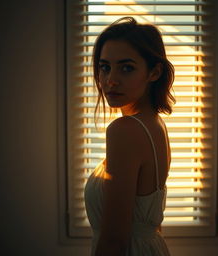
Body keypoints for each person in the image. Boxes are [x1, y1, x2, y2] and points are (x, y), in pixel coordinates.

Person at [84, 17, 175, 256]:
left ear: (154, 72)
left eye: (126, 67)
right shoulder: (155, 124)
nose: (110, 80)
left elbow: (114, 240)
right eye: (104, 67)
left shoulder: (125, 130)